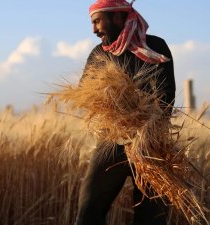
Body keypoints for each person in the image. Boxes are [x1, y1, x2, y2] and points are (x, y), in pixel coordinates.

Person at [75, 0, 176, 224]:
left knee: (152, 218)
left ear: (118, 17)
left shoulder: (156, 47)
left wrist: (143, 130)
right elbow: (85, 93)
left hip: (151, 145)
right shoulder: (99, 54)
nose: (93, 30)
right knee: (88, 210)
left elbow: (166, 95)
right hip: (110, 143)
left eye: (97, 22)